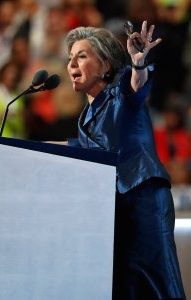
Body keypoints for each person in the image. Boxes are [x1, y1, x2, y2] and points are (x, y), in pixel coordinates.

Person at [65, 21, 186, 299]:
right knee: (123, 286)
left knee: (157, 283)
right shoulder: (86, 116)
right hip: (113, 209)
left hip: (143, 199)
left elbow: (136, 85)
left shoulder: (121, 88)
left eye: (81, 55)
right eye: (70, 57)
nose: (72, 62)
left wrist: (139, 63)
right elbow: (81, 147)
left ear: (106, 66)